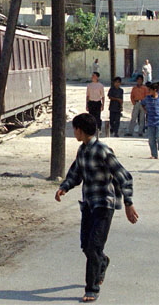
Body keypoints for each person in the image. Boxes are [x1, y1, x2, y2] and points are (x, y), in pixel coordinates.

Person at [55, 113, 139, 303]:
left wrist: (128, 203)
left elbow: (124, 176)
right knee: (86, 245)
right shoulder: (82, 150)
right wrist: (64, 187)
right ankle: (102, 261)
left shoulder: (102, 150)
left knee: (94, 246)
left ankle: (92, 288)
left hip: (104, 204)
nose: (73, 132)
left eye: (74, 128)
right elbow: (76, 173)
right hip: (89, 204)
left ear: (80, 130)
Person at [142, 82, 159, 159]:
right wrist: (145, 110)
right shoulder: (147, 98)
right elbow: (142, 103)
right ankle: (154, 154)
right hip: (150, 121)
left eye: (150, 90)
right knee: (151, 139)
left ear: (155, 90)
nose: (148, 91)